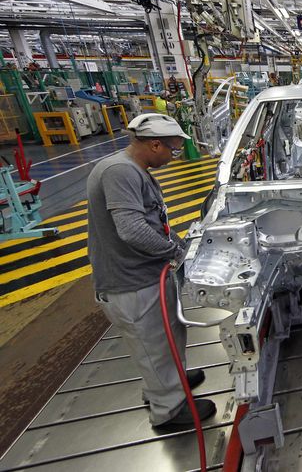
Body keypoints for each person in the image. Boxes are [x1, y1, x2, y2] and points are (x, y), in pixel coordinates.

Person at [87, 113, 217, 430]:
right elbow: (132, 230)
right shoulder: (120, 172)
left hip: (146, 275)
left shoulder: (135, 169)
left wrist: (184, 246)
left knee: (168, 335)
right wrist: (175, 252)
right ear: (154, 144)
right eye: (172, 151)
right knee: (152, 345)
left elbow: (153, 222)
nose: (173, 157)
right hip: (130, 283)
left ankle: (171, 380)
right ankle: (168, 410)